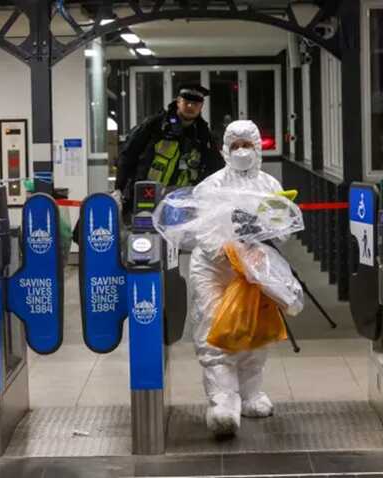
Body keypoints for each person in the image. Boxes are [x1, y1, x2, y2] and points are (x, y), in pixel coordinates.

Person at [189, 120, 284, 437]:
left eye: (247, 145)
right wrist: (232, 253)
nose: (242, 151)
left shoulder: (270, 186)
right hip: (215, 269)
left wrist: (263, 247)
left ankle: (252, 393)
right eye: (235, 145)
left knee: (254, 330)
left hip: (253, 270)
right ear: (225, 150)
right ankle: (222, 404)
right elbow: (204, 232)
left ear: (258, 148)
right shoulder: (210, 187)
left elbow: (281, 228)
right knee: (216, 329)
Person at [114, 83, 222, 213]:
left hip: (181, 204)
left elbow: (216, 168)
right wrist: (119, 189)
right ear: (178, 102)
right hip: (146, 196)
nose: (190, 106)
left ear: (201, 107)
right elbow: (128, 154)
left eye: (195, 104)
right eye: (186, 101)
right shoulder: (155, 125)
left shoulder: (203, 135)